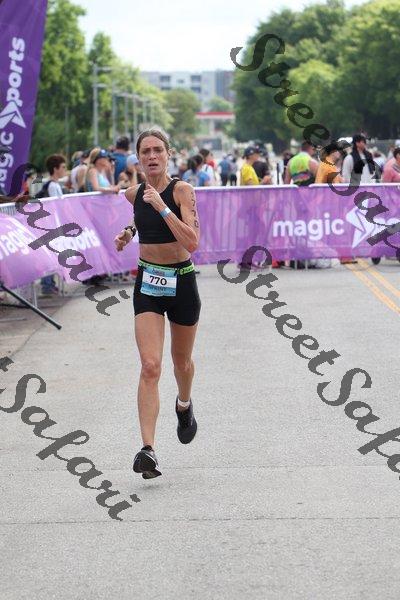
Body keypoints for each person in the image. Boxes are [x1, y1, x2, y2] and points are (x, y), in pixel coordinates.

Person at [114, 129, 201, 479]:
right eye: (145, 151)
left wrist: (162, 207)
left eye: (158, 150)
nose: (152, 156)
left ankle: (184, 403)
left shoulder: (182, 191)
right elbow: (139, 215)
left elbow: (192, 241)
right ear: (138, 158)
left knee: (182, 363)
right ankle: (147, 449)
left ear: (168, 154)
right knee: (150, 366)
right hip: (148, 283)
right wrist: (129, 232)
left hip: (182, 281)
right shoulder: (133, 193)